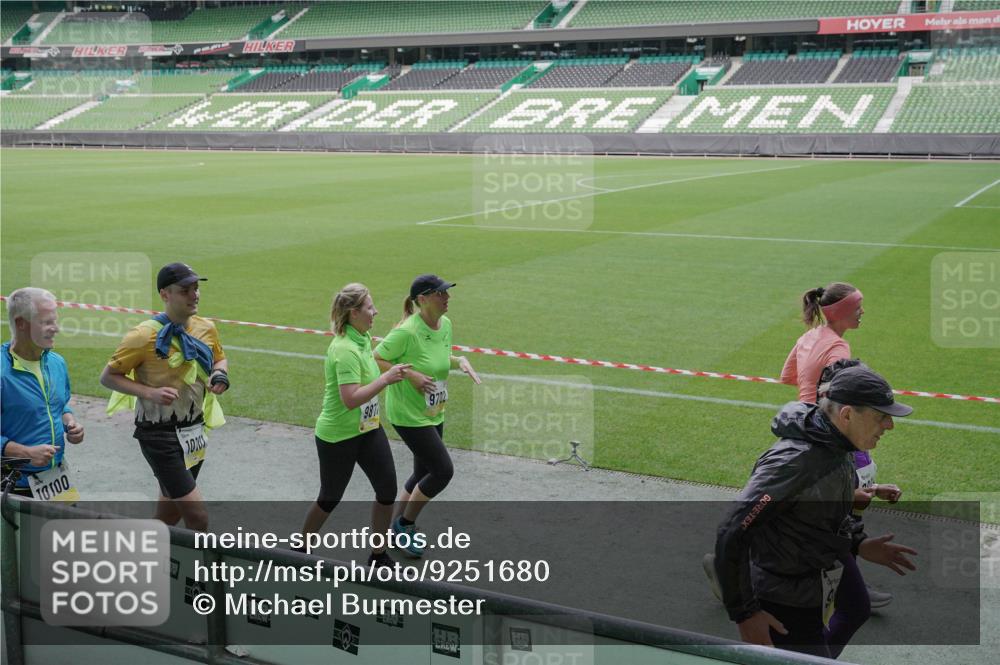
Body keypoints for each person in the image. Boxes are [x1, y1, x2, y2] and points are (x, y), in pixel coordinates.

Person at [714, 364, 918, 659]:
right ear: (847, 415)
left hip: (810, 591)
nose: (890, 426)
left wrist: (858, 543)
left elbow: (816, 516)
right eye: (881, 416)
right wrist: (745, 614)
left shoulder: (837, 446)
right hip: (783, 602)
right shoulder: (795, 462)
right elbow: (732, 529)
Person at [780, 283, 898, 609]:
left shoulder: (809, 337)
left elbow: (786, 376)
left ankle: (730, 564)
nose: (862, 312)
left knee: (808, 510)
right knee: (847, 503)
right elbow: (840, 400)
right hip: (829, 435)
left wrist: (810, 382)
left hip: (800, 428)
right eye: (858, 307)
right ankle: (850, 586)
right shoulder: (838, 349)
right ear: (842, 312)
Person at [100, 263, 228, 531]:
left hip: (194, 430)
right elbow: (108, 377)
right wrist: (150, 393)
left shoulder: (206, 328)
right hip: (159, 436)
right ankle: (204, 573)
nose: (195, 295)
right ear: (164, 294)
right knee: (198, 518)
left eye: (196, 288)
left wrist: (219, 375)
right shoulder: (142, 335)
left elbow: (219, 359)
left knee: (169, 516)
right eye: (185, 290)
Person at [298, 283, 410, 567]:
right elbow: (350, 399)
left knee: (387, 489)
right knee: (330, 497)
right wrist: (385, 379)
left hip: (368, 429)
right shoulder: (345, 349)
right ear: (353, 313)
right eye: (370, 307)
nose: (376, 311)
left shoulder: (362, 338)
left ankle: (378, 555)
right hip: (338, 436)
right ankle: (299, 550)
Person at [373, 274, 481, 558]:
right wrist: (410, 375)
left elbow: (439, 355)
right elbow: (378, 358)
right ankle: (405, 524)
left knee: (422, 473)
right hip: (408, 414)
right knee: (443, 471)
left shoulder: (445, 324)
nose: (447, 298)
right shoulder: (407, 331)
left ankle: (395, 528)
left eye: (446, 293)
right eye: (440, 294)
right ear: (422, 300)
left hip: (433, 410)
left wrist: (459, 361)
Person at [1, 288, 84, 500]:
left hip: (56, 480)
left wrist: (70, 423)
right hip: (13, 486)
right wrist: (25, 453)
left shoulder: (56, 363)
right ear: (21, 323)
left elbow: (59, 405)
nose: (55, 329)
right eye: (46, 322)